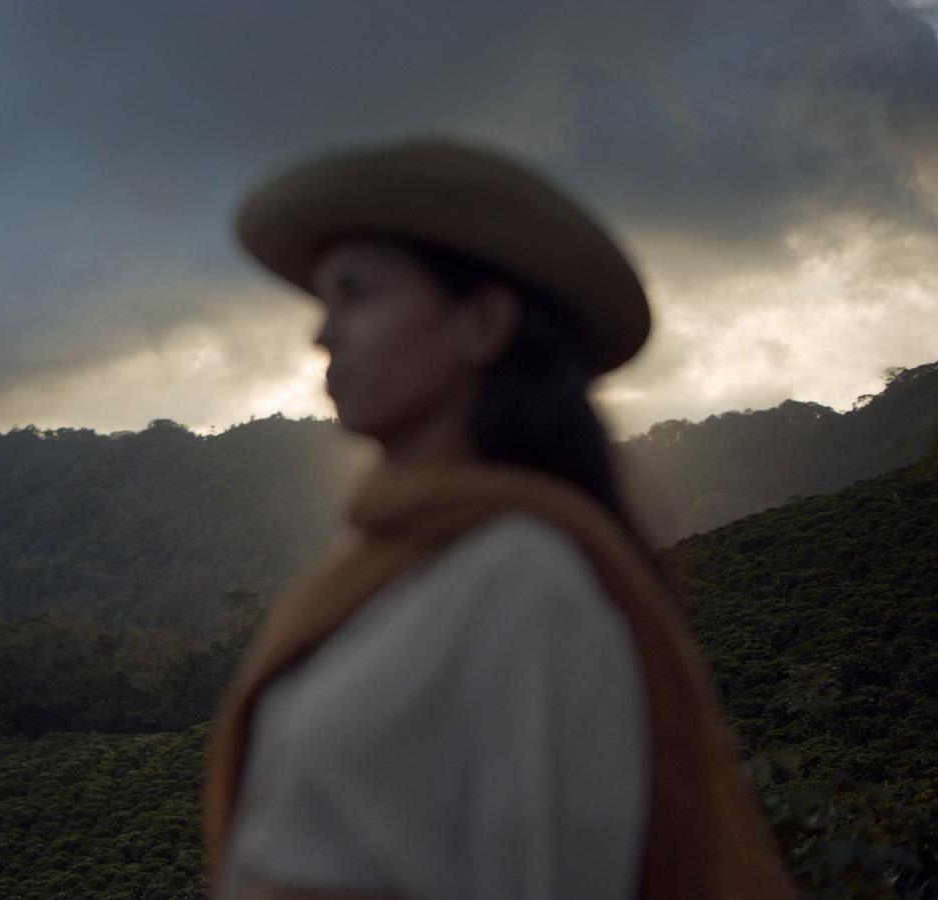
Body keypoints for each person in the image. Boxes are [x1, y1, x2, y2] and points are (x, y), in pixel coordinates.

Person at [203, 139, 794, 900]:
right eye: (323, 301)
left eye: (356, 293)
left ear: (482, 323)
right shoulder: (387, 573)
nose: (321, 332)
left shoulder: (529, 583)